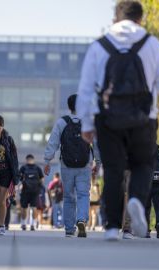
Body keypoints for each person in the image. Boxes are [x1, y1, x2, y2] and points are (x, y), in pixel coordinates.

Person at [76, 1, 159, 240]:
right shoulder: (151, 43)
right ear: (141, 19)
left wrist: (86, 126)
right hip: (143, 118)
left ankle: (111, 227)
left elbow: (86, 88)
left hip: (108, 119)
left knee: (113, 171)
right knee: (142, 164)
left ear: (115, 19)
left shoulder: (100, 46)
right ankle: (137, 202)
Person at [44, 94, 101, 238]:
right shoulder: (88, 123)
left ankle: (69, 228)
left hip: (66, 165)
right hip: (85, 165)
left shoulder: (62, 122)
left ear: (69, 107)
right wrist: (98, 162)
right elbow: (96, 145)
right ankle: (81, 219)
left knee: (68, 197)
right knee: (83, 194)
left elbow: (53, 143)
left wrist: (47, 160)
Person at [19, 154, 44, 231]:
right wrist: (39, 187)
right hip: (35, 191)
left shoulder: (23, 168)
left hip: (25, 191)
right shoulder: (37, 168)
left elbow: (19, 178)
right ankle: (32, 224)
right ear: (33, 159)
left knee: (24, 207)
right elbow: (42, 179)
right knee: (34, 208)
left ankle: (23, 224)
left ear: (26, 160)